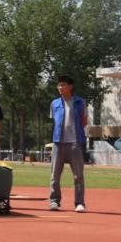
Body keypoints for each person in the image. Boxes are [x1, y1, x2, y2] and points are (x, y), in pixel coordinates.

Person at [49, 75, 87, 213]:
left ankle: (79, 203)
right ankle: (54, 201)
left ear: (70, 86)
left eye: (63, 85)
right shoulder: (54, 103)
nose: (60, 87)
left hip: (75, 143)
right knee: (55, 175)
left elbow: (84, 121)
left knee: (78, 175)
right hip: (58, 143)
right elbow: (54, 121)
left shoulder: (80, 102)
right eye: (59, 85)